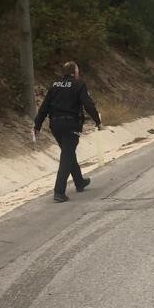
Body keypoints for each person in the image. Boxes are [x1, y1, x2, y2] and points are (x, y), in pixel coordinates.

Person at [34, 61, 101, 203]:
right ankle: (59, 192)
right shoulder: (79, 84)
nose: (78, 72)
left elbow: (44, 107)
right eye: (77, 70)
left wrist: (37, 125)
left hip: (56, 126)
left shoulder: (54, 85)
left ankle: (79, 181)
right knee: (67, 155)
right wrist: (97, 120)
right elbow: (87, 103)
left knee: (68, 152)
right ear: (74, 72)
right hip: (71, 125)